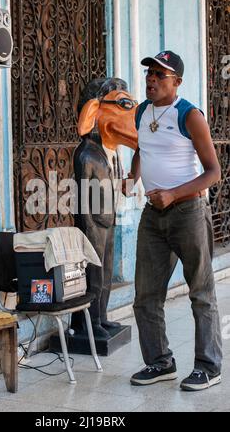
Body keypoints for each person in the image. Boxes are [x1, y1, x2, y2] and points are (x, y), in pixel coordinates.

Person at [129, 51, 223, 391]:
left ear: (176, 82)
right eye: (149, 73)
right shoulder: (142, 111)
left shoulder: (189, 114)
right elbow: (141, 147)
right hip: (153, 217)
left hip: (189, 214)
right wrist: (132, 176)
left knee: (200, 292)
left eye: (160, 74)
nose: (151, 79)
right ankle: (160, 362)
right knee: (145, 295)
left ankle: (209, 367)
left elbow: (213, 172)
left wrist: (173, 194)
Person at [71, 78, 138, 339]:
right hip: (92, 225)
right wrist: (87, 226)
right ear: (94, 111)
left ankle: (103, 316)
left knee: (106, 273)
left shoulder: (110, 154)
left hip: (107, 221)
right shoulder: (86, 154)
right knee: (92, 276)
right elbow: (83, 197)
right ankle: (86, 321)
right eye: (123, 105)